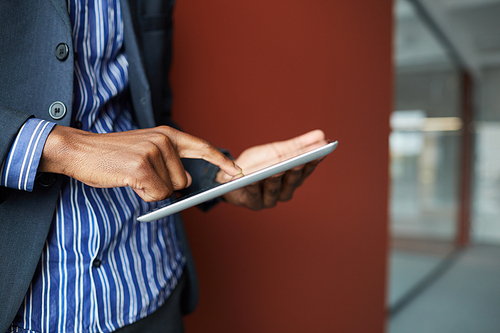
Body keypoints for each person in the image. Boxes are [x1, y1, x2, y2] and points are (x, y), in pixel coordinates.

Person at [0, 0, 326, 332]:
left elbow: (149, 120)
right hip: (25, 308)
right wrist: (60, 148)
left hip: (150, 284)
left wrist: (222, 175)